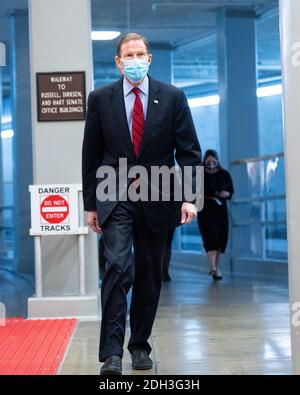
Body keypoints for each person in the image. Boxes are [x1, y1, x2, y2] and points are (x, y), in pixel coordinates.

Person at [82, 32, 202, 375]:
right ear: (118, 62)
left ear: (149, 59)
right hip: (114, 191)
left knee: (149, 274)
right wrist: (91, 204)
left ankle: (139, 346)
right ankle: (111, 353)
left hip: (159, 193)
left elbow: (190, 152)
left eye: (140, 54)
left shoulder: (173, 97)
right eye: (128, 55)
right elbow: (90, 154)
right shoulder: (100, 99)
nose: (134, 60)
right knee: (118, 267)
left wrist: (191, 198)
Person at [197, 149, 234, 281]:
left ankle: (216, 268)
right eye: (209, 161)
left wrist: (226, 194)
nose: (211, 163)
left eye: (214, 161)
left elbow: (231, 191)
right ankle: (212, 266)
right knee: (209, 237)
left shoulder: (224, 174)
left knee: (220, 239)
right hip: (205, 210)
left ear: (217, 160)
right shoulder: (199, 174)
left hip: (220, 210)